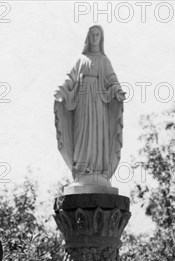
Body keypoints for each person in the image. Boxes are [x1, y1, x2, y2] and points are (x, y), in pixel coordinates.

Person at [54, 25, 125, 184]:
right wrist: (61, 90)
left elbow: (112, 79)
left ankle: (98, 169)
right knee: (82, 133)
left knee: (97, 133)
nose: (95, 37)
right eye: (92, 34)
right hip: (82, 102)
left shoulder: (104, 60)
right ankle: (82, 168)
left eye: (97, 35)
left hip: (99, 103)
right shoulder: (80, 60)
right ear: (88, 37)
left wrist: (117, 90)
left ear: (101, 38)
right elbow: (69, 79)